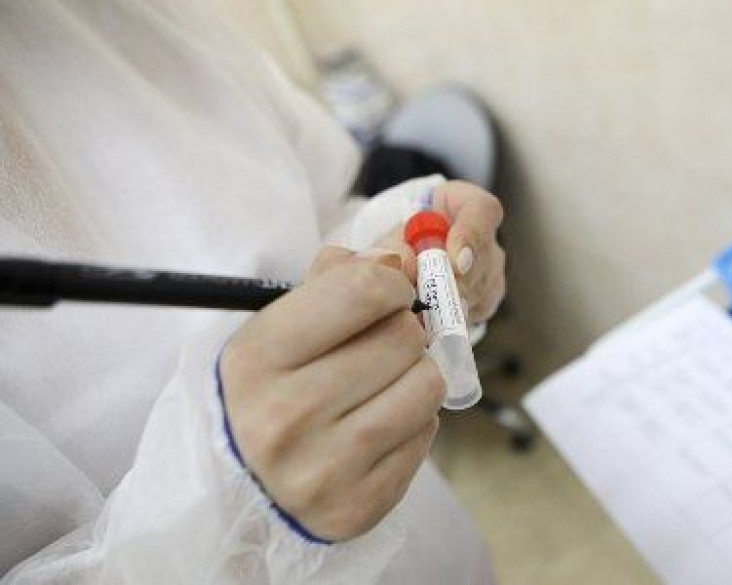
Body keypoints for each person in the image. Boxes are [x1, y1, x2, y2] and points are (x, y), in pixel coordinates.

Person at [0, 1, 506, 583]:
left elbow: (320, 213)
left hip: (427, 538)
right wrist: (230, 518)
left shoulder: (137, 15)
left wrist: (410, 234)